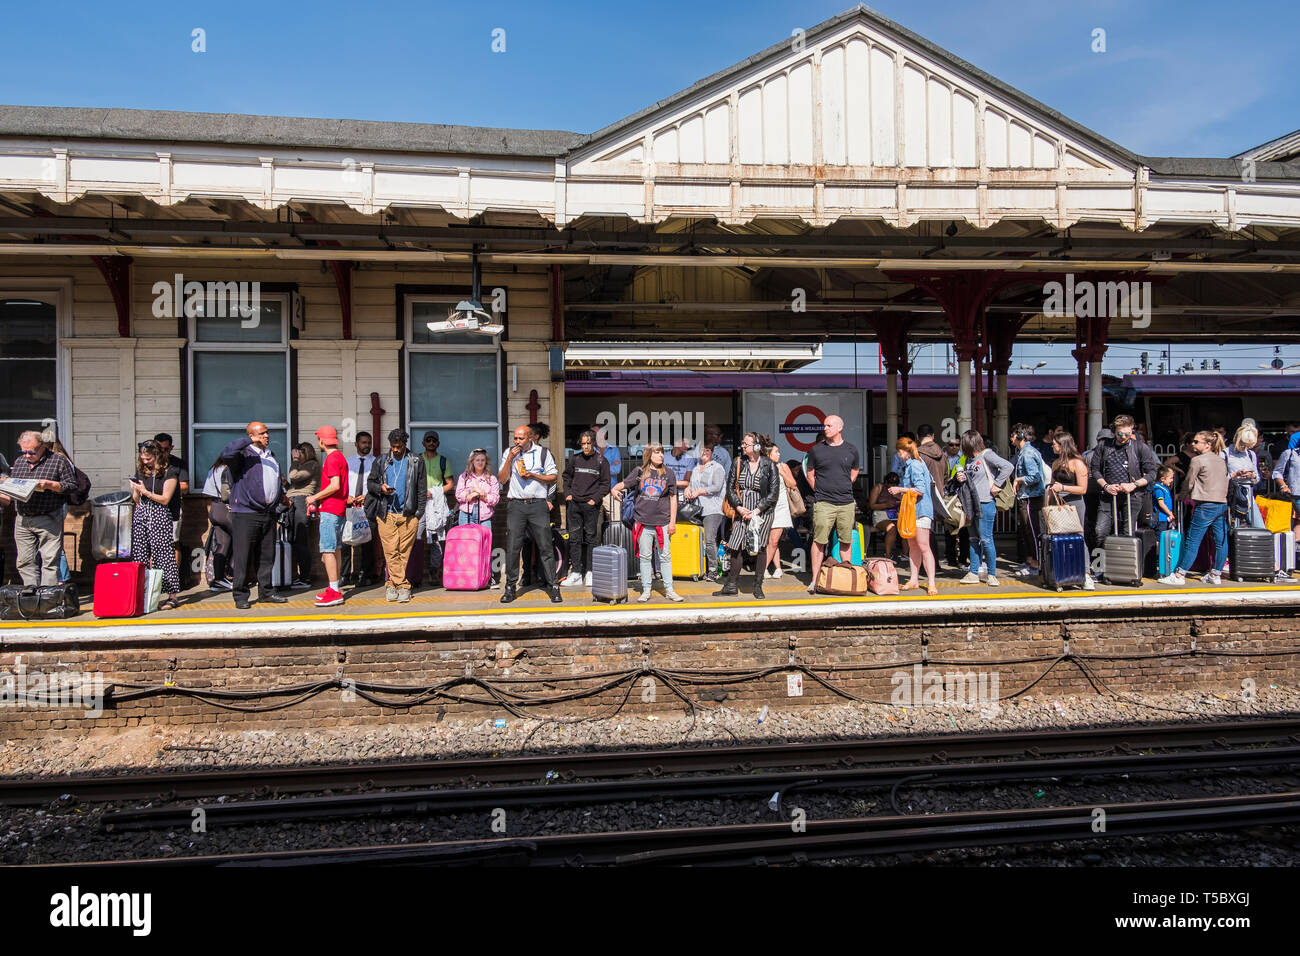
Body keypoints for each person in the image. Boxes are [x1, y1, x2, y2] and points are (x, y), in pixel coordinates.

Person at [221, 422, 292, 609]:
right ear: (251, 435)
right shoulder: (242, 456)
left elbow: (272, 480)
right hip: (245, 513)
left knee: (266, 555)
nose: (266, 436)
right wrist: (247, 441)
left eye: (267, 433)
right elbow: (226, 454)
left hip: (268, 512)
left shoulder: (271, 456)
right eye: (262, 433)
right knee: (243, 555)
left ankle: (266, 592)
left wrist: (280, 497)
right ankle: (241, 595)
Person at [0, 431, 76, 586]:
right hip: (23, 518)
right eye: (23, 451)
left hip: (48, 516)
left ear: (42, 447)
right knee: (25, 561)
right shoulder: (20, 462)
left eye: (31, 452)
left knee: (49, 561)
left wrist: (49, 485)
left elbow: (72, 486)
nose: (27, 455)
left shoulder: (57, 461)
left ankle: (47, 598)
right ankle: (32, 597)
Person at [612, 443, 685, 603]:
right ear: (649, 455)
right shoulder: (639, 472)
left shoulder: (669, 473)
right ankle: (646, 590)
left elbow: (673, 499)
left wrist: (673, 522)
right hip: (643, 521)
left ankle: (670, 590)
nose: (661, 456)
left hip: (663, 522)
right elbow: (622, 485)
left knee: (665, 557)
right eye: (657, 453)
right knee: (645, 557)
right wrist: (613, 490)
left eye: (662, 453)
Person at [498, 424, 561, 604]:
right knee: (513, 547)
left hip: (538, 504)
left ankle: (553, 586)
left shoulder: (543, 453)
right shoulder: (509, 453)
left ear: (530, 438)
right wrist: (509, 459)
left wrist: (533, 476)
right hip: (516, 505)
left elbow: (553, 477)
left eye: (521, 438)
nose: (517, 441)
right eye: (515, 438)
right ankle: (510, 587)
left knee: (545, 546)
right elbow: (502, 479)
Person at [1158, 431, 1229, 586]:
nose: (1193, 444)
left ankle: (1179, 575)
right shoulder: (1220, 460)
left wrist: (1181, 495)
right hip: (1221, 504)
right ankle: (1216, 574)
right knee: (1221, 541)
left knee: (1193, 541)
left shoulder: (1197, 460)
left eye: (1197, 442)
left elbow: (1189, 482)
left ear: (1208, 444)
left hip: (1205, 504)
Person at [712, 432, 778, 600]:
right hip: (742, 510)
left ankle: (758, 585)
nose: (743, 446)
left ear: (757, 446)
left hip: (762, 512)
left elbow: (773, 493)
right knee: (735, 546)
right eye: (743, 443)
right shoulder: (738, 462)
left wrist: (757, 510)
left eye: (746, 444)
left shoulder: (769, 465)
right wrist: (740, 508)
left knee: (761, 547)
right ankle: (732, 585)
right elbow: (731, 488)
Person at [366, 429, 427, 603]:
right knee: (391, 552)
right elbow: (370, 483)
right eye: (393, 446)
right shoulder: (381, 461)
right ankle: (403, 586)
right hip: (386, 513)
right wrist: (381, 488)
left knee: (403, 553)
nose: (395, 450)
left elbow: (421, 488)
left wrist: (418, 513)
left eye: (398, 446)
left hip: (408, 514)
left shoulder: (416, 461)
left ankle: (392, 584)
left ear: (405, 444)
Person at [805, 414, 860, 594]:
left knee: (845, 539)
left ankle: (846, 578)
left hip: (846, 502)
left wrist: (844, 485)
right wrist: (820, 490)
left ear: (839, 427)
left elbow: (855, 470)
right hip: (823, 502)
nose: (825, 428)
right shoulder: (816, 450)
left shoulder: (852, 450)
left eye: (829, 425)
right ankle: (814, 580)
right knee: (819, 540)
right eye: (825, 425)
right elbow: (810, 473)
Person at [1090, 415, 1159, 546]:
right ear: (1114, 431)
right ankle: (1102, 562)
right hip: (1108, 495)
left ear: (1132, 430)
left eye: (1128, 434)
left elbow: (1152, 473)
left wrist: (1133, 485)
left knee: (1128, 532)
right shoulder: (1103, 446)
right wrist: (1106, 486)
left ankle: (1125, 563)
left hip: (1132, 495)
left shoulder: (1141, 447)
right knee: (1100, 530)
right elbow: (1095, 470)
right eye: (1120, 433)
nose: (1123, 437)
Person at [956, 430, 1013, 587]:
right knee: (973, 539)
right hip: (972, 504)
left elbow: (1008, 466)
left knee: (986, 539)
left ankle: (992, 574)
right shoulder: (969, 459)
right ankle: (974, 572)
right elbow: (972, 478)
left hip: (986, 502)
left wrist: (996, 485)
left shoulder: (987, 455)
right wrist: (962, 477)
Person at [129, 439, 182, 611]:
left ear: (157, 456)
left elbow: (165, 499)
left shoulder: (170, 473)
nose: (145, 462)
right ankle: (143, 594)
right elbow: (136, 500)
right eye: (143, 459)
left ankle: (172, 595)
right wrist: (137, 490)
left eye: (149, 459)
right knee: (139, 553)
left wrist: (146, 492)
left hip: (160, 514)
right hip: (141, 514)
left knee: (163, 554)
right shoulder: (141, 472)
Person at [304, 426, 350, 608]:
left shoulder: (331, 459)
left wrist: (314, 497)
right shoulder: (340, 457)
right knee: (336, 549)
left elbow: (335, 485)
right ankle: (334, 587)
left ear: (322, 441)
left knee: (328, 550)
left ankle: (335, 591)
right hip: (338, 509)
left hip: (330, 510)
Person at [561, 429, 611, 587]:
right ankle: (576, 573)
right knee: (574, 539)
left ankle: (590, 572)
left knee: (591, 539)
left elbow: (605, 484)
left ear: (594, 443)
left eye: (589, 443)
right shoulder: (575, 459)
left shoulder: (601, 461)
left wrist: (594, 500)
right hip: (574, 504)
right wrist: (567, 494)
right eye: (583, 444)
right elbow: (566, 477)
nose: (586, 446)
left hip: (591, 506)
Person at [1047, 431, 1096, 590]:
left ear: (1062, 445)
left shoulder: (1077, 463)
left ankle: (1086, 574)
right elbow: (1051, 485)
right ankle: (1064, 572)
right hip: (1058, 504)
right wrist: (1049, 503)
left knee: (1078, 536)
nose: (1052, 446)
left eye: (1054, 444)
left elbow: (1083, 489)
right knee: (1059, 536)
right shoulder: (1055, 464)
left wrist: (1063, 487)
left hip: (1075, 504)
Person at [889, 437, 937, 595]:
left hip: (921, 510)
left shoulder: (915, 465)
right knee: (914, 546)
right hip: (914, 510)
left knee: (923, 546)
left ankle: (931, 583)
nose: (898, 455)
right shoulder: (914, 463)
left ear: (903, 451)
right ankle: (914, 580)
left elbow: (920, 490)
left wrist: (900, 490)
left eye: (898, 452)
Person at [684, 443, 726, 583]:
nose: (705, 452)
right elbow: (691, 484)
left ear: (712, 452)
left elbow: (716, 486)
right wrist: (688, 489)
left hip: (713, 509)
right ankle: (701, 568)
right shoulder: (696, 469)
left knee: (709, 539)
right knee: (700, 541)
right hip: (697, 509)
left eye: (708, 450)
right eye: (702, 450)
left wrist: (699, 491)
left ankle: (714, 570)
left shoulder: (717, 468)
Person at [1010, 424, 1047, 578]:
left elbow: (1035, 476)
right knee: (1027, 530)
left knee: (1032, 531)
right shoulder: (1023, 452)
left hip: (1031, 497)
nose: (1011, 438)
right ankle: (1031, 560)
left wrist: (1018, 479)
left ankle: (1036, 564)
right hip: (1027, 496)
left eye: (1013, 435)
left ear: (1020, 436)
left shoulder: (1027, 454)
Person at [343, 431, 378, 586]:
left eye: (369, 442)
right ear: (356, 444)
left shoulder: (375, 462)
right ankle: (345, 574)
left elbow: (378, 484)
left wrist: (367, 496)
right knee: (345, 540)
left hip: (368, 506)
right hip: (350, 506)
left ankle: (366, 575)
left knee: (367, 542)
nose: (367, 446)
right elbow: (342, 483)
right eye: (363, 442)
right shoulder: (348, 462)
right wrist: (347, 497)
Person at [154, 433, 190, 585]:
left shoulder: (177, 464)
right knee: (152, 545)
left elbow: (185, 487)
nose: (163, 452)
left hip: (172, 508)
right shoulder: (148, 462)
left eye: (166, 449)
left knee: (173, 543)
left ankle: (172, 581)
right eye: (159, 449)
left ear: (171, 448)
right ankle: (155, 582)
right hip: (152, 509)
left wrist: (169, 488)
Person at [420, 431, 455, 586]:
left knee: (436, 540)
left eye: (434, 440)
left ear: (438, 443)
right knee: (415, 537)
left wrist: (434, 492)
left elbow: (450, 484)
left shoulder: (443, 461)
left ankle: (434, 573)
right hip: (419, 504)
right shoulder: (417, 460)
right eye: (428, 440)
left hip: (437, 505)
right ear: (423, 443)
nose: (431, 443)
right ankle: (414, 573)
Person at [761, 439, 798, 581]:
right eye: (776, 452)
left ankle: (763, 568)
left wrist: (782, 472)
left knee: (774, 541)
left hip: (781, 507)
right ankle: (778, 568)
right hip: (766, 507)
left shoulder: (783, 466)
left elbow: (793, 484)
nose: (779, 454)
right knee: (770, 540)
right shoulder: (762, 467)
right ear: (768, 454)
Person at [285, 442, 320, 590]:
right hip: (293, 502)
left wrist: (294, 460)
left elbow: (294, 476)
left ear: (307, 453)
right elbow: (294, 484)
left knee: (301, 540)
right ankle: (294, 576)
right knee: (292, 540)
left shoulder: (312, 465)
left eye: (301, 453)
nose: (298, 456)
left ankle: (304, 577)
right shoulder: (303, 466)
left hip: (302, 502)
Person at [200, 453, 234, 590]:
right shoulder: (229, 470)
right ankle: (232, 575)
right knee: (241, 542)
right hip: (227, 509)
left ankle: (219, 579)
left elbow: (207, 492)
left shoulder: (213, 469)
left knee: (222, 545)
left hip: (214, 508)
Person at [1223, 424, 1265, 529]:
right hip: (1231, 498)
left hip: (1249, 497)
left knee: (1261, 528)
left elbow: (1257, 479)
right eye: (1243, 444)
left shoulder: (1251, 454)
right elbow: (1219, 479)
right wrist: (1234, 475)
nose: (1244, 448)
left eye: (1248, 445)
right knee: (1232, 530)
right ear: (1236, 439)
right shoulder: (1224, 454)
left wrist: (1252, 475)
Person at [942, 438, 969, 568]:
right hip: (948, 496)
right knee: (949, 529)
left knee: (963, 529)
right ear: (947, 445)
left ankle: (963, 558)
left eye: (957, 445)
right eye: (951, 444)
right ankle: (951, 558)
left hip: (961, 496)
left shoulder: (965, 458)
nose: (954, 447)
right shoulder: (942, 457)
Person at [455, 448, 501, 525]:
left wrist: (481, 496)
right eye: (477, 460)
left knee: (484, 537)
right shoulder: (464, 477)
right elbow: (459, 495)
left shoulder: (492, 478)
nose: (480, 462)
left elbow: (495, 499)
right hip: (466, 516)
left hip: (485, 517)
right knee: (467, 537)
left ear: (486, 462)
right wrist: (473, 490)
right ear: (472, 461)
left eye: (483, 460)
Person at [867, 473, 901, 563]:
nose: (893, 485)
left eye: (895, 483)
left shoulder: (898, 490)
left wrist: (899, 498)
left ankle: (905, 554)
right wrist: (886, 505)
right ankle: (888, 554)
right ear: (886, 482)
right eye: (890, 483)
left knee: (906, 528)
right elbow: (871, 505)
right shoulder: (879, 488)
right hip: (881, 514)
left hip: (896, 514)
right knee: (891, 528)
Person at [1152, 466, 1176, 532]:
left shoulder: (1164, 488)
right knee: (1160, 538)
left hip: (1165, 518)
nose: (1172, 480)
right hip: (1160, 518)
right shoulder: (1159, 490)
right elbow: (1161, 504)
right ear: (1162, 479)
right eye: (1170, 478)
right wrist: (1170, 514)